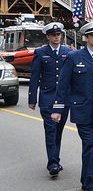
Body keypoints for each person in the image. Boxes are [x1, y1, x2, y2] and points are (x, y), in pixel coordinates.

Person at [51, 22, 93, 190]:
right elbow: (63, 84)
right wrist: (58, 109)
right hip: (82, 111)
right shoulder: (74, 57)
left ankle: (86, 179)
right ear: (86, 38)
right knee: (89, 144)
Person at [28, 22, 73, 176]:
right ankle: (52, 163)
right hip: (47, 97)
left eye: (58, 34)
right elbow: (34, 77)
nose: (56, 37)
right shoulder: (40, 52)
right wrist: (32, 98)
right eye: (53, 35)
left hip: (64, 98)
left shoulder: (68, 52)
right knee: (50, 130)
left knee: (58, 131)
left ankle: (56, 159)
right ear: (47, 36)